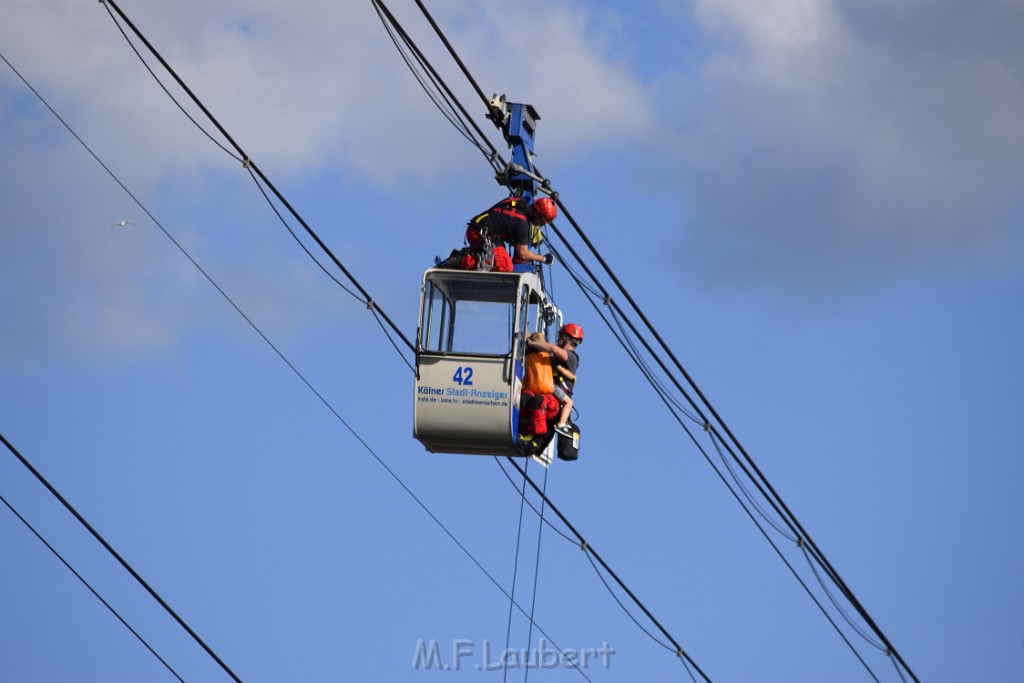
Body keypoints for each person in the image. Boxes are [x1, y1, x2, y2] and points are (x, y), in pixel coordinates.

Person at [464, 195, 557, 271]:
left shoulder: (520, 202)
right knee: (505, 265)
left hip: (483, 230)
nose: (542, 224)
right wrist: (544, 259)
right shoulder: (522, 225)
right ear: (537, 214)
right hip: (477, 233)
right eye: (542, 222)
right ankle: (461, 261)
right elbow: (523, 254)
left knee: (502, 257)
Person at [526, 323, 582, 436]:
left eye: (560, 337)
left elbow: (552, 348)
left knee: (569, 402)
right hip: (549, 388)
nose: (558, 340)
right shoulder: (553, 358)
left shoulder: (571, 357)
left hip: (556, 391)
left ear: (566, 338)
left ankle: (562, 424)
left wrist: (533, 343)